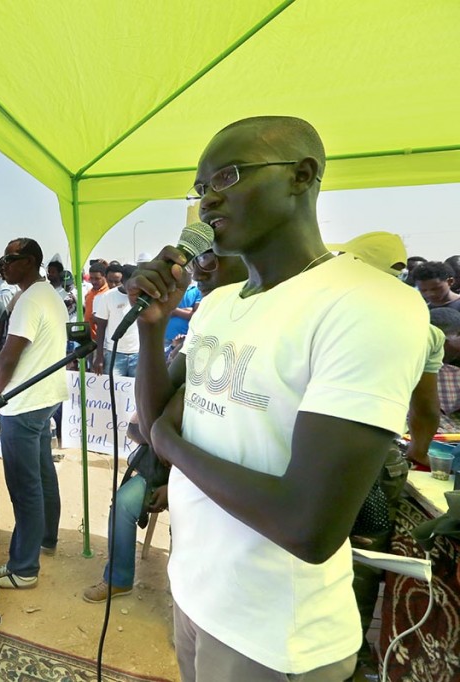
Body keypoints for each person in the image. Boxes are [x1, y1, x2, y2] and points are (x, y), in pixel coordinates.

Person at [128, 116, 427, 680]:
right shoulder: (217, 305)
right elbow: (152, 419)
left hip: (273, 638)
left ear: (302, 175)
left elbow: (307, 526)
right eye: (200, 190)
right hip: (195, 594)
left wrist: (170, 442)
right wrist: (150, 329)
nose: (207, 203)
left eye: (226, 178)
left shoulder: (368, 304)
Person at [84, 251, 248, 604]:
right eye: (199, 257)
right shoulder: (206, 323)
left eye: (214, 256)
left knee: (190, 530)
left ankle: (184, 602)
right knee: (124, 505)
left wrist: (175, 477)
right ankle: (119, 578)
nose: (198, 269)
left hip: (215, 482)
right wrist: (150, 327)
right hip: (168, 467)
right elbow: (151, 419)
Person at [0, 237, 68, 589]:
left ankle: (24, 568)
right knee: (43, 472)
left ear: (30, 261)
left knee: (24, 485)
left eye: (10, 259)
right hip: (45, 397)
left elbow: (10, 355)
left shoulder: (30, 300)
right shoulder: (48, 294)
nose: (4, 265)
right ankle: (46, 537)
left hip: (23, 402)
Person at [83, 262, 109, 341]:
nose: (93, 282)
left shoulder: (108, 294)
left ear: (105, 277)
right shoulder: (89, 293)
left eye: (97, 279)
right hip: (89, 339)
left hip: (103, 340)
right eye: (91, 278)